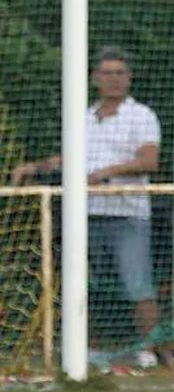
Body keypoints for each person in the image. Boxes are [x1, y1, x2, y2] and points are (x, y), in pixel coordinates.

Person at [11, 47, 163, 369]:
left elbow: (149, 160)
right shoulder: (83, 117)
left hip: (127, 213)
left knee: (138, 283)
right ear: (95, 78)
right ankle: (86, 352)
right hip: (86, 214)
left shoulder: (142, 115)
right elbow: (68, 159)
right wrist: (34, 167)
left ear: (129, 77)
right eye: (107, 73)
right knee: (83, 282)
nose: (114, 79)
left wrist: (105, 174)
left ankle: (152, 352)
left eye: (120, 73)